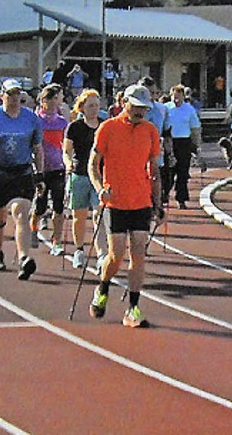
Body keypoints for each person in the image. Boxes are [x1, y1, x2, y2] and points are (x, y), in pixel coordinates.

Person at [87, 84, 163, 328]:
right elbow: (93, 164)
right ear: (124, 103)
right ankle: (103, 287)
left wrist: (158, 203)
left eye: (144, 108)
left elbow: (154, 170)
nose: (140, 112)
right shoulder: (107, 128)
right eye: (136, 107)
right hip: (115, 201)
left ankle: (133, 308)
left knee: (138, 253)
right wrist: (101, 189)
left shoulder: (151, 131)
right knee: (116, 254)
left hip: (141, 201)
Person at [0, 79, 44, 280]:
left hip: (22, 172)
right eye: (10, 94)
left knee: (21, 213)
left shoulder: (31, 118)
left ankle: (24, 258)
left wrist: (40, 174)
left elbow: (38, 149)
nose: (14, 99)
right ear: (2, 95)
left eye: (17, 94)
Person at [63, 89, 108, 270]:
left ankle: (102, 254)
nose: (94, 109)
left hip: (99, 177)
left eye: (97, 105)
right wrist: (67, 164)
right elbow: (67, 151)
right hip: (80, 174)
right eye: (90, 106)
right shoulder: (74, 127)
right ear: (82, 107)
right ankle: (79, 249)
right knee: (79, 216)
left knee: (99, 215)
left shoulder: (105, 126)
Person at [30, 85, 68, 252]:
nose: (55, 102)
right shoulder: (36, 120)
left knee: (59, 206)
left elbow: (67, 145)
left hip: (58, 167)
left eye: (57, 99)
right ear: (44, 100)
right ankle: (33, 229)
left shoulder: (62, 122)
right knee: (41, 206)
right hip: (41, 169)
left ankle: (56, 241)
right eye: (52, 99)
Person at [164, 84, 202, 209]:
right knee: (167, 171)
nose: (176, 100)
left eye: (178, 97)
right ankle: (163, 195)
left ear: (183, 96)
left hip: (184, 142)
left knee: (183, 172)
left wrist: (196, 145)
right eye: (174, 97)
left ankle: (181, 198)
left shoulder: (189, 109)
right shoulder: (166, 108)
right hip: (169, 141)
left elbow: (195, 128)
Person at [138, 76, 172, 205]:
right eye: (147, 93)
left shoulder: (162, 109)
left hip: (156, 153)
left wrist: (170, 152)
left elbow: (167, 131)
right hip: (136, 153)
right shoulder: (133, 110)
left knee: (157, 182)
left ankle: (156, 207)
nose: (150, 96)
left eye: (153, 93)